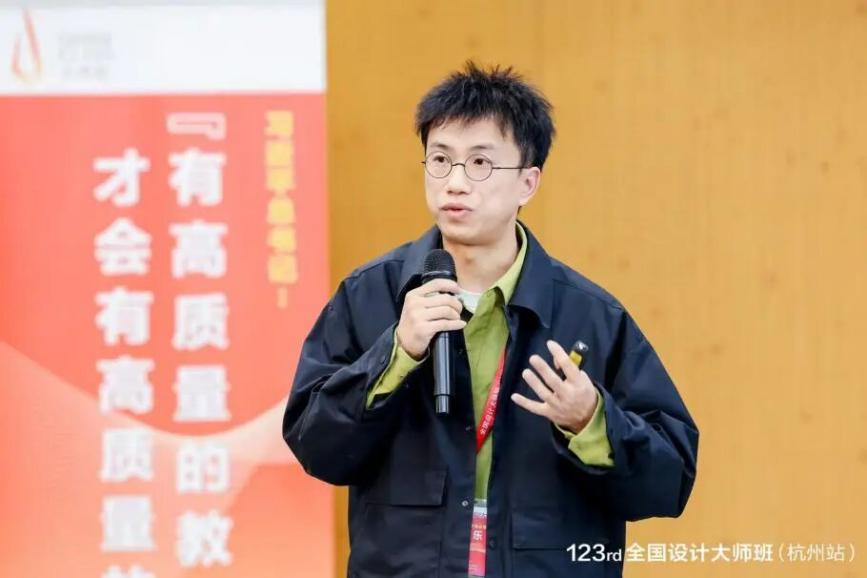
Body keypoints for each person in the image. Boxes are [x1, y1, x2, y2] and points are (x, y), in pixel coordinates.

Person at [282, 62, 699, 578]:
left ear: (528, 182)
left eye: (480, 162)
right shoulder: (371, 296)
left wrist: (592, 420)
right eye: (441, 160)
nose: (455, 182)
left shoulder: (590, 316)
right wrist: (396, 354)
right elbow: (315, 446)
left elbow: (670, 481)